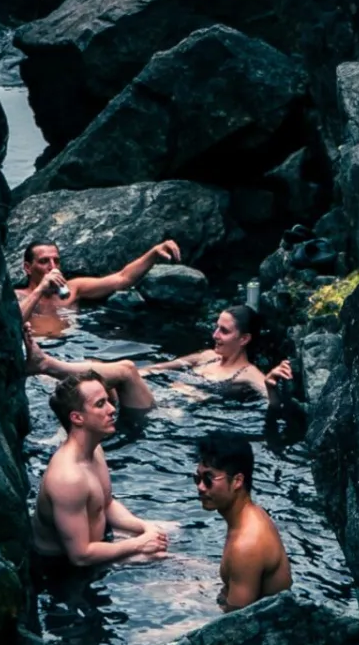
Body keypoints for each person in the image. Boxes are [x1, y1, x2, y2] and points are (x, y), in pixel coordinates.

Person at [17, 237, 182, 411]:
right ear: (28, 268)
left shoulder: (74, 289)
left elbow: (122, 278)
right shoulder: (18, 297)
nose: (52, 267)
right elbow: (11, 322)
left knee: (112, 385)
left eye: (56, 261)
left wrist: (154, 253)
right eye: (44, 262)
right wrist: (40, 289)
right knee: (84, 393)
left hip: (74, 349)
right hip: (41, 356)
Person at [32, 371, 170, 570]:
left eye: (108, 400)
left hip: (97, 546)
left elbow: (106, 504)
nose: (112, 409)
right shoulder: (68, 479)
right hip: (63, 570)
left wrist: (145, 527)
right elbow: (80, 556)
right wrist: (139, 543)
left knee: (170, 532)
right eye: (100, 404)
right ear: (77, 418)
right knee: (171, 560)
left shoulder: (95, 449)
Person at [193, 430, 291, 611]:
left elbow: (235, 626)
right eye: (197, 478)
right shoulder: (251, 514)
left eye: (208, 479)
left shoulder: (246, 545)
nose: (200, 487)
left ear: (237, 481)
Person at [148, 305, 293, 404]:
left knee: (126, 370)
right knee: (127, 370)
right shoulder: (207, 357)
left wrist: (271, 387)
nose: (214, 335)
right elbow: (157, 368)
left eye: (224, 331)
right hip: (159, 396)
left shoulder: (248, 374)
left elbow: (275, 406)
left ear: (244, 339)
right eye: (216, 327)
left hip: (171, 414)